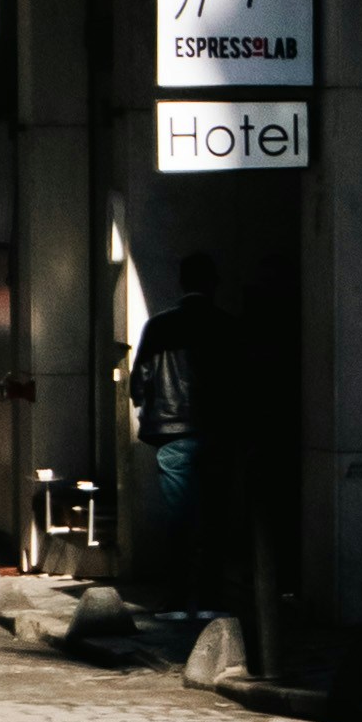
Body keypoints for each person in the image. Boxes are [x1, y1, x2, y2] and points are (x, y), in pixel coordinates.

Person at [127, 246, 226, 585]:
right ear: (214, 284)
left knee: (179, 512)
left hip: (171, 431)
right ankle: (212, 587)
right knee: (215, 507)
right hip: (218, 431)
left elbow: (138, 380)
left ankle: (181, 589)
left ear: (181, 283)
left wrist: (146, 404)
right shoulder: (226, 325)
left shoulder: (159, 326)